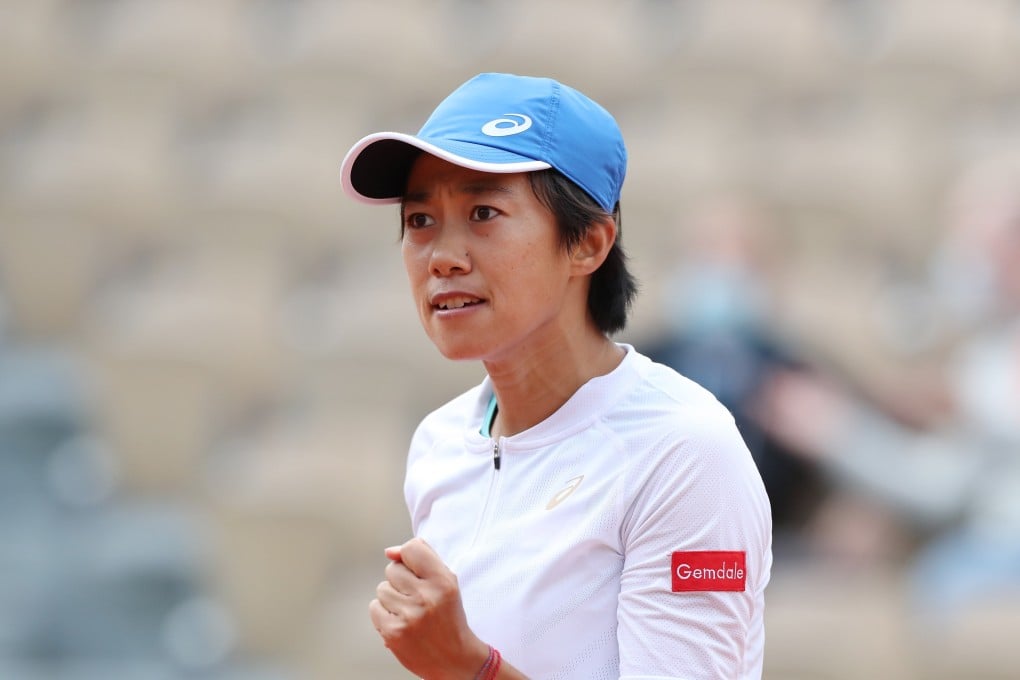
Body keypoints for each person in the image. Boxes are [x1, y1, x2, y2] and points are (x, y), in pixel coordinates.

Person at [340, 73, 772, 679]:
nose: (443, 256)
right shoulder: (439, 442)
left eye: (483, 212)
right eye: (419, 220)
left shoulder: (684, 451)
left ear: (589, 244)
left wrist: (472, 669)